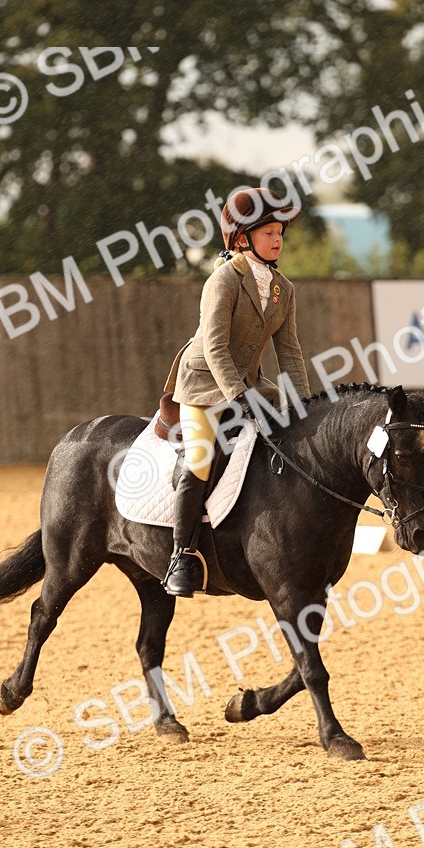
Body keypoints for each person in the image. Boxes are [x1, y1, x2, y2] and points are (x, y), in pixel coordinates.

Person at [161, 186, 312, 597]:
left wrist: (306, 404)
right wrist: (237, 395)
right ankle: (182, 555)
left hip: (249, 384)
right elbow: (213, 346)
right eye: (268, 233)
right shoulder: (223, 279)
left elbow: (291, 353)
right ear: (242, 238)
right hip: (204, 384)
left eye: (280, 232)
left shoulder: (283, 289)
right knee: (199, 460)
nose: (278, 239)